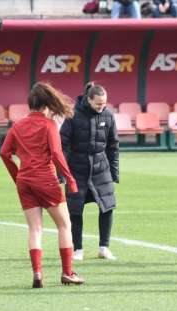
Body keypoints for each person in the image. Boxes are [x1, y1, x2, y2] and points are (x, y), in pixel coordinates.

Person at [0, 82, 85, 288]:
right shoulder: (49, 125)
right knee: (64, 225)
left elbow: (4, 153)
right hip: (46, 180)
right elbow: (56, 154)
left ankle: (37, 274)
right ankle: (67, 272)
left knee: (34, 229)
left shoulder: (18, 125)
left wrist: (17, 175)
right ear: (47, 104)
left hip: (25, 181)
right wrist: (71, 180)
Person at [60, 82, 119, 261]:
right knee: (75, 210)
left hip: (101, 169)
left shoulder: (108, 115)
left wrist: (114, 172)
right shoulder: (73, 115)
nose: (102, 107)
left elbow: (113, 145)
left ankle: (104, 247)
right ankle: (77, 249)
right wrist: (61, 172)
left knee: (108, 207)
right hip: (77, 169)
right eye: (98, 104)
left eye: (104, 103)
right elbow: (61, 144)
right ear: (88, 100)